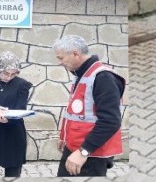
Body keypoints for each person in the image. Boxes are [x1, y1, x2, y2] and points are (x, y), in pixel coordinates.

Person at [54, 36, 126, 177]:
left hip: (90, 155)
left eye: (61, 58)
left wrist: (83, 152)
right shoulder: (82, 74)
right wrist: (65, 136)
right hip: (75, 149)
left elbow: (110, 121)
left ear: (75, 54)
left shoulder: (103, 77)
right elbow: (76, 112)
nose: (59, 63)